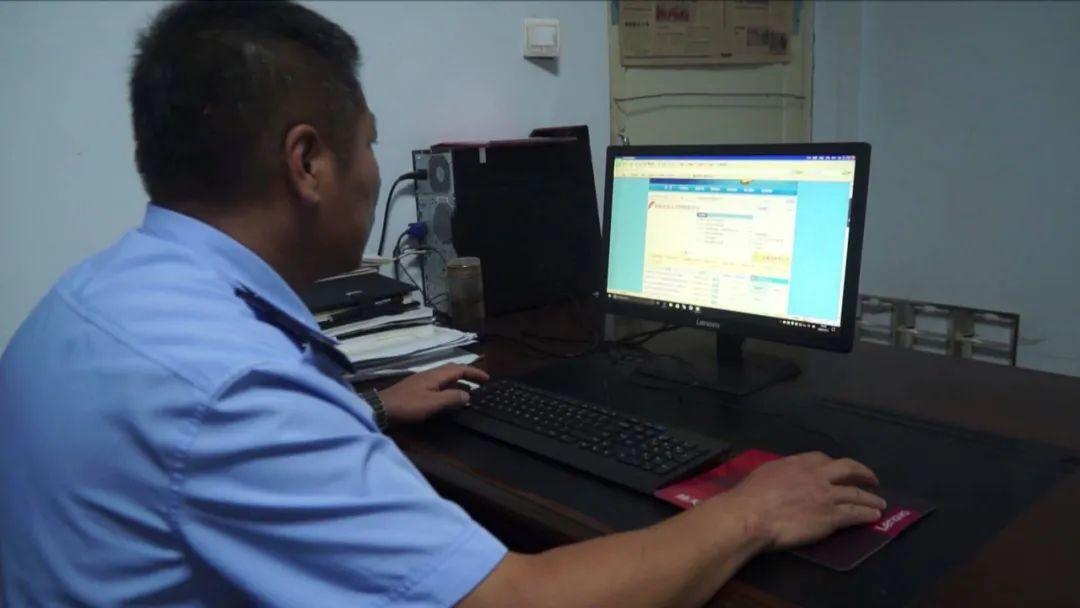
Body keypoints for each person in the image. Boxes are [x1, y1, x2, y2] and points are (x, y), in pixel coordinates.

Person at [0, 2, 887, 606]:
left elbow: (199, 456)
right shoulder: (233, 388)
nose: (376, 171)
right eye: (369, 145)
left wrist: (369, 410)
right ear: (308, 163)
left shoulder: (90, 299)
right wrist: (752, 511)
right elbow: (514, 600)